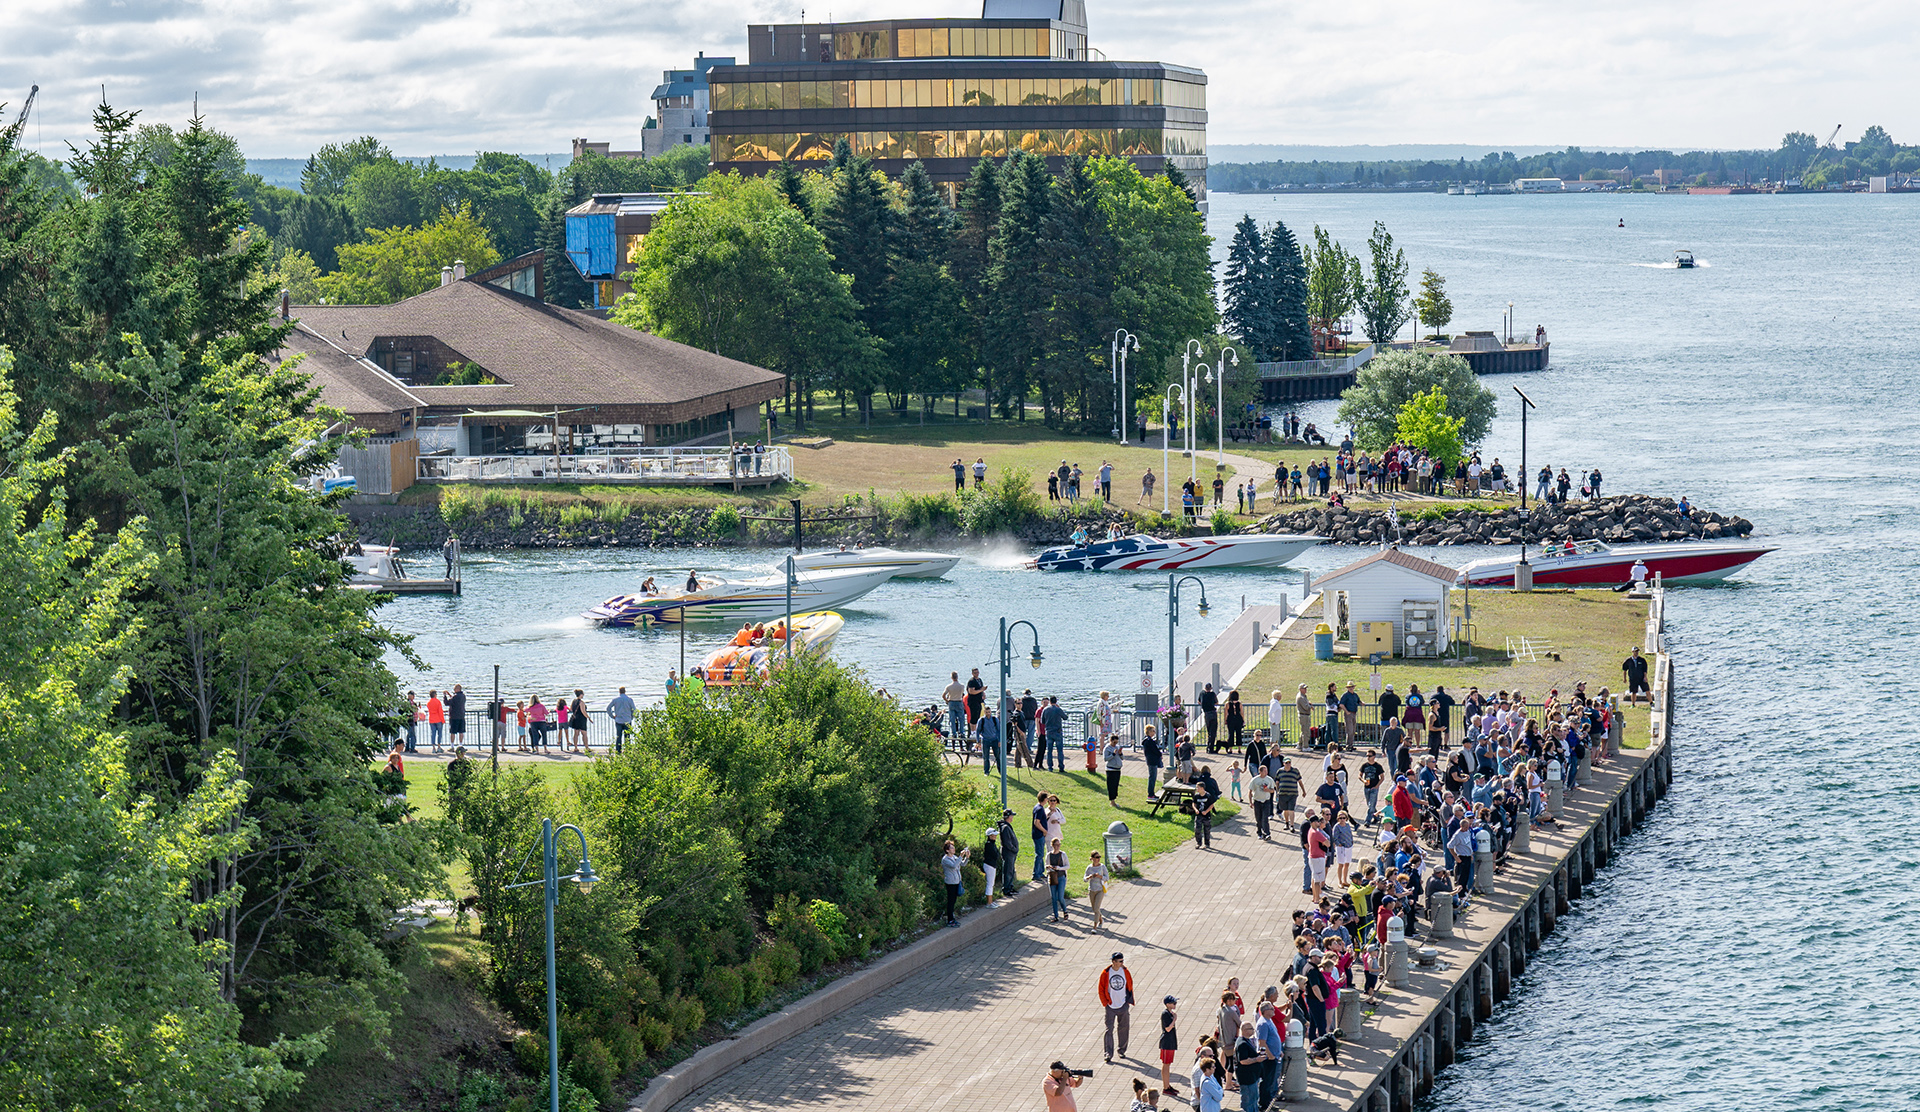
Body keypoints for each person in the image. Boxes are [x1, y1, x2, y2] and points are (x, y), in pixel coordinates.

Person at [1099, 952, 1135, 1062]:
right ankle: (1108, 1053)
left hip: (1123, 1004)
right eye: (1120, 961)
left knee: (1124, 1028)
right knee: (1109, 1029)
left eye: (1122, 961)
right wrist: (1106, 1003)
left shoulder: (1125, 971)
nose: (1122, 963)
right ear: (1113, 962)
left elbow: (1130, 984)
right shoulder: (1106, 973)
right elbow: (1101, 989)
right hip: (1111, 1006)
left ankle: (1122, 1050)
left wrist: (1127, 1001)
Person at [940, 839, 970, 926]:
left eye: (953, 848)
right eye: (952, 848)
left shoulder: (954, 857)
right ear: (947, 850)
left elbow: (962, 864)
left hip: (957, 881)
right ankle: (950, 920)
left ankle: (952, 918)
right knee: (951, 901)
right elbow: (953, 866)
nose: (954, 849)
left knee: (954, 900)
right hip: (950, 883)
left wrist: (967, 857)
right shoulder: (945, 859)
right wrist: (960, 856)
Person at [1158, 996, 1182, 1099]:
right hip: (1166, 1043)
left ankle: (1168, 1085)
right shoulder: (1165, 1014)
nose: (1175, 1005)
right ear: (1168, 1004)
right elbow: (1167, 1028)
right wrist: (1174, 1020)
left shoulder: (1169, 1013)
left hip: (1171, 1042)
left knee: (1168, 1064)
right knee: (1166, 1064)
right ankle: (1165, 1087)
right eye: (1173, 1003)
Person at [1193, 767, 1219, 848]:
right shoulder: (1196, 796)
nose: (1196, 789)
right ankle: (1198, 843)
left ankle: (1207, 844)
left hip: (1206, 816)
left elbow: (1211, 805)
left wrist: (1206, 811)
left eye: (1198, 788)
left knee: (1206, 830)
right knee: (1197, 829)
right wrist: (1196, 810)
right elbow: (1193, 803)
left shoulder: (1208, 796)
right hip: (1199, 815)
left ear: (1202, 788)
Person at [1249, 762, 1276, 840]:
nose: (1266, 772)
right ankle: (1259, 832)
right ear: (1260, 772)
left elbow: (1273, 790)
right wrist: (1250, 802)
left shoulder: (1269, 779)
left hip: (1266, 801)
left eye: (1266, 771)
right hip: (1257, 801)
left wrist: (1268, 790)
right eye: (1264, 771)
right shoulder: (1255, 780)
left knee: (1265, 818)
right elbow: (1250, 791)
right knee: (1258, 819)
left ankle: (1267, 833)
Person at [1041, 696, 1068, 771]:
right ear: (1056, 702)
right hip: (1057, 732)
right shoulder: (1058, 709)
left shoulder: (1045, 710)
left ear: (1050, 702)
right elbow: (1065, 717)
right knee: (1059, 750)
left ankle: (1050, 767)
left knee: (1049, 750)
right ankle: (1061, 767)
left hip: (1049, 732)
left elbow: (1042, 721)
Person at [1085, 851, 1110, 930]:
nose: (1098, 859)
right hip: (1092, 890)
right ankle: (1101, 920)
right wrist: (1089, 877)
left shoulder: (1102, 867)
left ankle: (1095, 927)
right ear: (1092, 858)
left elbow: (1107, 877)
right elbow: (1084, 879)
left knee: (1096, 908)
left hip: (1100, 890)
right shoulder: (1089, 868)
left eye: (1099, 857)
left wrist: (1100, 876)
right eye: (1096, 857)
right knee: (1095, 909)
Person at [1047, 837, 1070, 922]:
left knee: (1060, 897)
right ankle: (1055, 915)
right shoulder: (1049, 855)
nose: (1057, 847)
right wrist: (1049, 867)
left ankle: (1065, 911)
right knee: (1053, 897)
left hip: (1061, 877)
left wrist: (1059, 868)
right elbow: (1046, 865)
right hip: (1052, 877)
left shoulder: (1063, 854)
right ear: (1052, 845)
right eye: (1056, 845)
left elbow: (1067, 866)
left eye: (1059, 845)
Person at [607, 686, 636, 754]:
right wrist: (631, 717)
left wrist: (612, 716)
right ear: (625, 691)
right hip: (627, 720)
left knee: (618, 736)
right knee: (627, 737)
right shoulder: (629, 700)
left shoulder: (615, 700)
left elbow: (608, 708)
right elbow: (634, 710)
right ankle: (628, 751)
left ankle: (618, 751)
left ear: (619, 692)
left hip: (618, 720)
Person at [998, 809, 1020, 895]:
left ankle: (1010, 886)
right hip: (1008, 852)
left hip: (1011, 853)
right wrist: (1014, 849)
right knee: (1008, 871)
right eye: (1011, 816)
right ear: (1008, 817)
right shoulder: (1005, 828)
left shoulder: (1007, 826)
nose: (1012, 818)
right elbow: (1007, 842)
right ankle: (1006, 889)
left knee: (1010, 870)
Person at [1031, 791, 1051, 882]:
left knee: (1041, 853)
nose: (1048, 800)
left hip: (1038, 834)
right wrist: (1044, 831)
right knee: (1039, 854)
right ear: (1044, 799)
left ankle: (1040, 872)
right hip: (1039, 834)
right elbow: (1037, 822)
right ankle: (1036, 874)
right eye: (1047, 798)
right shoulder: (1039, 809)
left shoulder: (1038, 807)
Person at [1104, 735, 1125, 805]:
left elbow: (1122, 758)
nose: (1115, 744)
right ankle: (1112, 801)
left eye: (1116, 742)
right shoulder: (1107, 748)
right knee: (1111, 786)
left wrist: (1120, 753)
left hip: (1117, 769)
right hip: (1110, 769)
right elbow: (1105, 759)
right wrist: (1113, 754)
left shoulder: (1117, 747)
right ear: (1111, 741)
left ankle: (1114, 800)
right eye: (1114, 742)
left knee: (1116, 785)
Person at [981, 830, 1000, 906]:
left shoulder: (992, 844)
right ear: (989, 836)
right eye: (993, 835)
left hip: (992, 865)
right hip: (989, 865)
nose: (995, 837)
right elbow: (995, 855)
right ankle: (989, 902)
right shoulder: (989, 845)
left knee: (991, 883)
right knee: (990, 884)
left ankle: (991, 901)